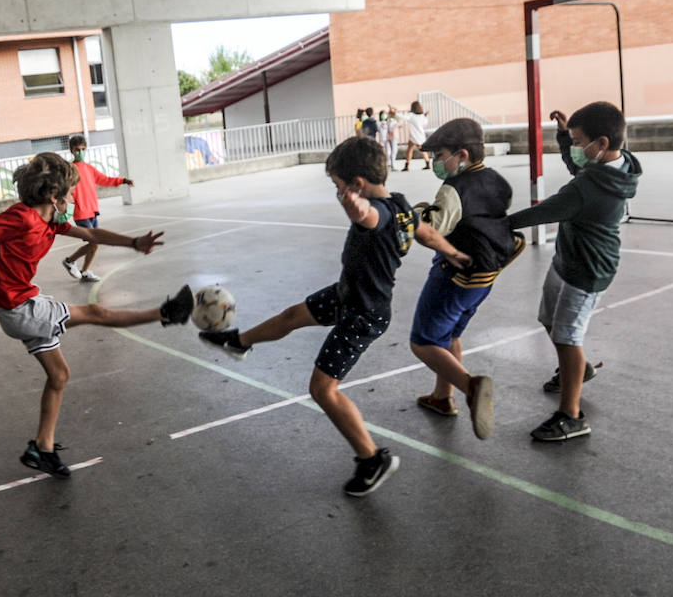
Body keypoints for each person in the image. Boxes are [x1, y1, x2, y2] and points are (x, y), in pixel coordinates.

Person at [200, 137, 470, 496]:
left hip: (363, 314)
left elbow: (369, 218)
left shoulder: (376, 212)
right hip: (347, 293)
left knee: (322, 389)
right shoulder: (401, 205)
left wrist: (356, 208)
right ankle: (239, 342)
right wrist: (455, 254)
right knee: (293, 314)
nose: (337, 192)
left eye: (338, 185)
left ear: (357, 184)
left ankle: (372, 458)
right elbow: (427, 233)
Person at [0, 152, 193, 477]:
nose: (73, 199)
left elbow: (93, 235)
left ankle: (41, 449)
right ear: (53, 196)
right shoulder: (22, 217)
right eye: (69, 193)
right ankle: (167, 313)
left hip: (22, 303)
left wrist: (134, 242)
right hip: (19, 308)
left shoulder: (52, 221)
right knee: (94, 311)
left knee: (59, 376)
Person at [506, 102, 641, 442]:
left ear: (602, 144)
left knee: (567, 337)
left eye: (581, 142)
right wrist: (566, 139)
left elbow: (547, 210)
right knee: (550, 321)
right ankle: (580, 370)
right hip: (567, 261)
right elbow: (578, 170)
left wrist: (498, 225)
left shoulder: (591, 187)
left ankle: (571, 416)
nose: (577, 148)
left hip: (588, 271)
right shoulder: (618, 167)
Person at [409, 118, 525, 439]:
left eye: (440, 155)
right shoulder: (497, 181)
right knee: (449, 335)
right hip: (484, 277)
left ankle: (470, 387)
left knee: (423, 341)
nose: (435, 163)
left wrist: (413, 212)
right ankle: (442, 397)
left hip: (454, 274)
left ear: (461, 154)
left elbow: (433, 228)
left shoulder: (453, 188)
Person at [59, 134, 134, 283]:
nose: (80, 152)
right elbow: (64, 190)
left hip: (93, 211)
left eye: (83, 149)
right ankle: (69, 261)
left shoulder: (89, 169)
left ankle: (85, 272)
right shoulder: (69, 169)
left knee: (94, 245)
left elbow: (105, 180)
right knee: (95, 242)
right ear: (72, 151)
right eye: (77, 149)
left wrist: (123, 180)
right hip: (81, 213)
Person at [402, 101, 431, 171]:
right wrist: (426, 116)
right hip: (419, 135)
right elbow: (425, 124)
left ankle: (407, 165)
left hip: (414, 135)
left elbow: (404, 117)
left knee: (412, 150)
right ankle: (427, 163)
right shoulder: (422, 116)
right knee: (411, 149)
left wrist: (395, 113)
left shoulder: (411, 115)